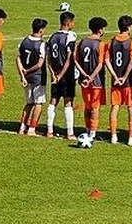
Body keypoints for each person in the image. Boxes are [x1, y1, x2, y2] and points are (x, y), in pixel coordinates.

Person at [106, 15, 132, 146]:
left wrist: (115, 76)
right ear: (129, 27)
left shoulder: (111, 41)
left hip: (115, 82)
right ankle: (131, 138)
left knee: (115, 108)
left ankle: (113, 136)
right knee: (131, 108)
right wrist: (125, 77)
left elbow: (107, 61)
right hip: (129, 82)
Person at [74, 17, 108, 141]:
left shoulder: (82, 42)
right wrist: (91, 77)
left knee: (87, 106)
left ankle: (87, 129)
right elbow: (100, 64)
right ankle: (93, 133)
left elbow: (76, 61)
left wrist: (84, 75)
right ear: (100, 30)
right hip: (96, 81)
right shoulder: (101, 44)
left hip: (84, 81)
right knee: (95, 107)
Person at [45, 11, 78, 140]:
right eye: (72, 22)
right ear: (68, 23)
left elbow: (48, 57)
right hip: (66, 74)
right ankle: (70, 132)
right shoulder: (70, 37)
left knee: (53, 100)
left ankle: (49, 131)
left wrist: (53, 73)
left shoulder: (52, 37)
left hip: (55, 73)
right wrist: (61, 74)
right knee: (68, 101)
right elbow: (69, 58)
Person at [15, 18, 47, 136]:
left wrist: (22, 74)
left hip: (27, 79)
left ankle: (22, 128)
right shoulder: (41, 45)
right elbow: (39, 64)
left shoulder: (23, 41)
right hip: (38, 78)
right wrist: (28, 71)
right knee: (38, 103)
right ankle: (32, 129)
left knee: (29, 103)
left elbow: (18, 58)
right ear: (41, 30)